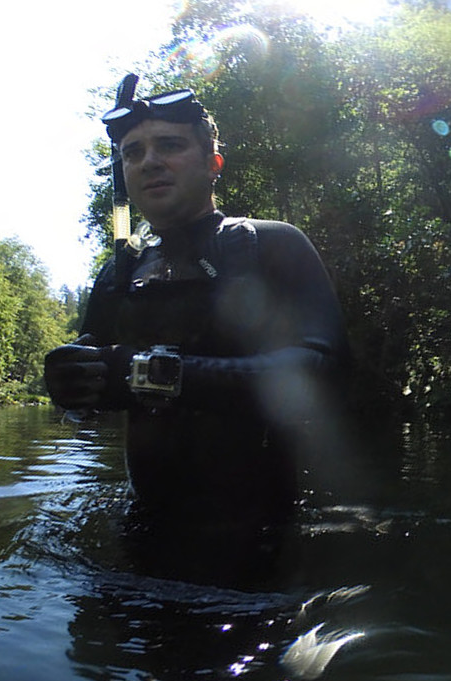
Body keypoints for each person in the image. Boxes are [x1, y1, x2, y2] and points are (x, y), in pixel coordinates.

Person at [44, 76, 347, 543]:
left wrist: (151, 374)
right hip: (145, 530)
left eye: (169, 145)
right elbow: (93, 397)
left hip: (267, 533)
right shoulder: (118, 276)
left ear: (213, 163)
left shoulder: (270, 245)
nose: (150, 162)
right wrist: (70, 384)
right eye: (133, 152)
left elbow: (322, 370)